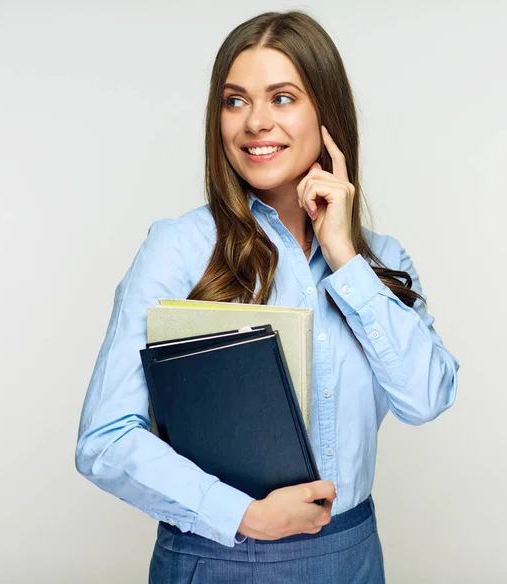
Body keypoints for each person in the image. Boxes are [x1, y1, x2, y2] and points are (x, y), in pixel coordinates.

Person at [75, 9, 459, 583]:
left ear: (326, 113)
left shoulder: (380, 261)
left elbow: (427, 398)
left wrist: (344, 258)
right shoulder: (178, 248)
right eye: (235, 101)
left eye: (282, 98)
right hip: (217, 557)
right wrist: (244, 515)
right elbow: (104, 440)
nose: (255, 121)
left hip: (352, 557)